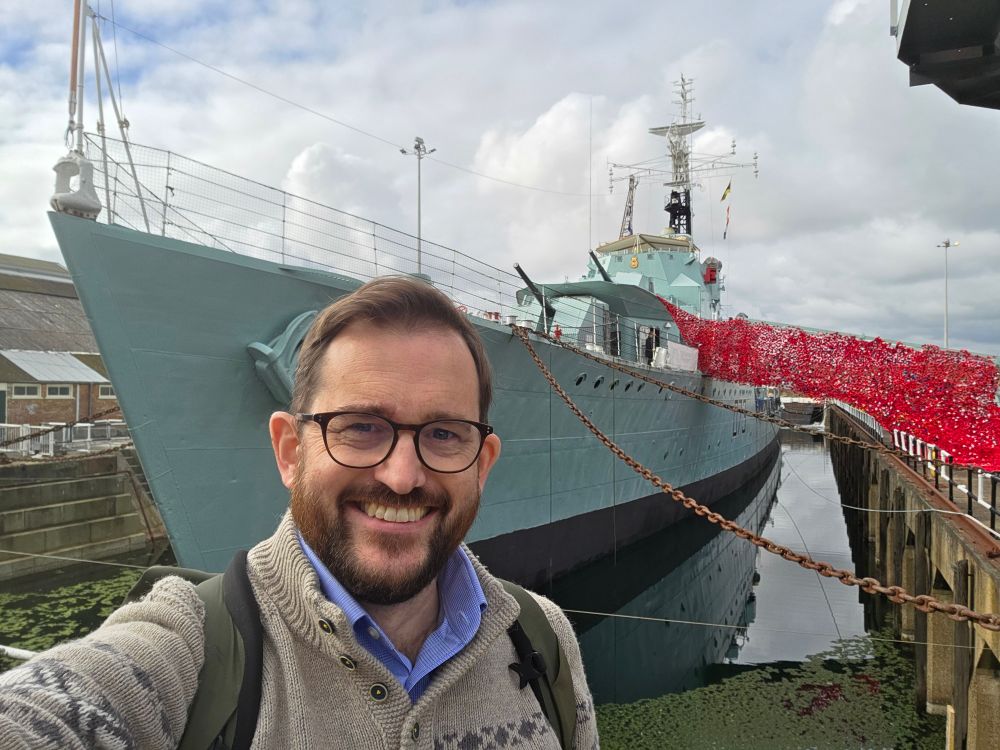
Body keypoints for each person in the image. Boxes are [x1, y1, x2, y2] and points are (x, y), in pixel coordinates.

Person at [0, 276, 598, 749]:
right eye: (361, 427)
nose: (402, 475)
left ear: (482, 462)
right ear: (290, 450)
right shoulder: (191, 651)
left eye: (444, 433)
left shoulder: (541, 637)